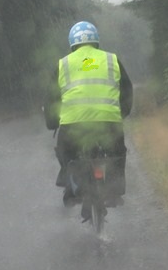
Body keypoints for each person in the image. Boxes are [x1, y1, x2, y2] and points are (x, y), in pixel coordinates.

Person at [43, 21, 133, 211]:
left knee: (66, 153)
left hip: (73, 126)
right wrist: (121, 114)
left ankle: (71, 189)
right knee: (117, 153)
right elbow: (126, 90)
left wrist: (52, 123)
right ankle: (115, 191)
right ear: (96, 42)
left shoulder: (63, 64)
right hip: (109, 123)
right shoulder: (111, 60)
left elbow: (52, 99)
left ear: (72, 44)